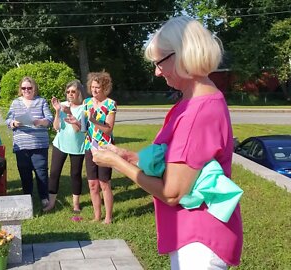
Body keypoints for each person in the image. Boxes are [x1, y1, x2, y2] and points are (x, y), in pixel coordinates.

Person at [91, 16, 243, 269]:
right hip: (192, 235)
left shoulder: (198, 112)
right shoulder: (195, 101)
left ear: (183, 55)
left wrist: (116, 163)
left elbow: (172, 192)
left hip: (199, 243)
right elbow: (178, 163)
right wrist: (129, 155)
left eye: (160, 62)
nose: (156, 71)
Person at [5, 76, 53, 209]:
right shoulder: (15, 103)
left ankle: (44, 197)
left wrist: (41, 122)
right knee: (24, 172)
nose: (26, 90)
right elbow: (8, 120)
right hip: (22, 144)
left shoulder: (41, 101)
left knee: (41, 172)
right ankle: (27, 198)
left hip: (39, 143)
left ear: (34, 88)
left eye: (29, 88)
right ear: (20, 89)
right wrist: (14, 123)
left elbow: (49, 118)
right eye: (24, 88)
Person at [43, 80, 86, 212]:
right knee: (54, 173)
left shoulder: (84, 108)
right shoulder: (62, 105)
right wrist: (57, 111)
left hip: (77, 147)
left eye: (73, 91)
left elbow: (78, 129)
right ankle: (51, 203)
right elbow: (56, 127)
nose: (70, 94)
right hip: (60, 144)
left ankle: (76, 205)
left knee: (75, 174)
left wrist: (69, 113)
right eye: (68, 92)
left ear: (79, 92)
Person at [83, 72, 117, 224]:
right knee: (92, 184)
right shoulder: (87, 102)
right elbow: (84, 126)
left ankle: (108, 217)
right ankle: (97, 216)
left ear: (105, 88)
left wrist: (93, 120)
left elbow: (108, 129)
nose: (94, 90)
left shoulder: (110, 104)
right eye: (92, 87)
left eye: (98, 87)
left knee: (104, 183)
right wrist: (73, 120)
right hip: (90, 146)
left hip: (105, 147)